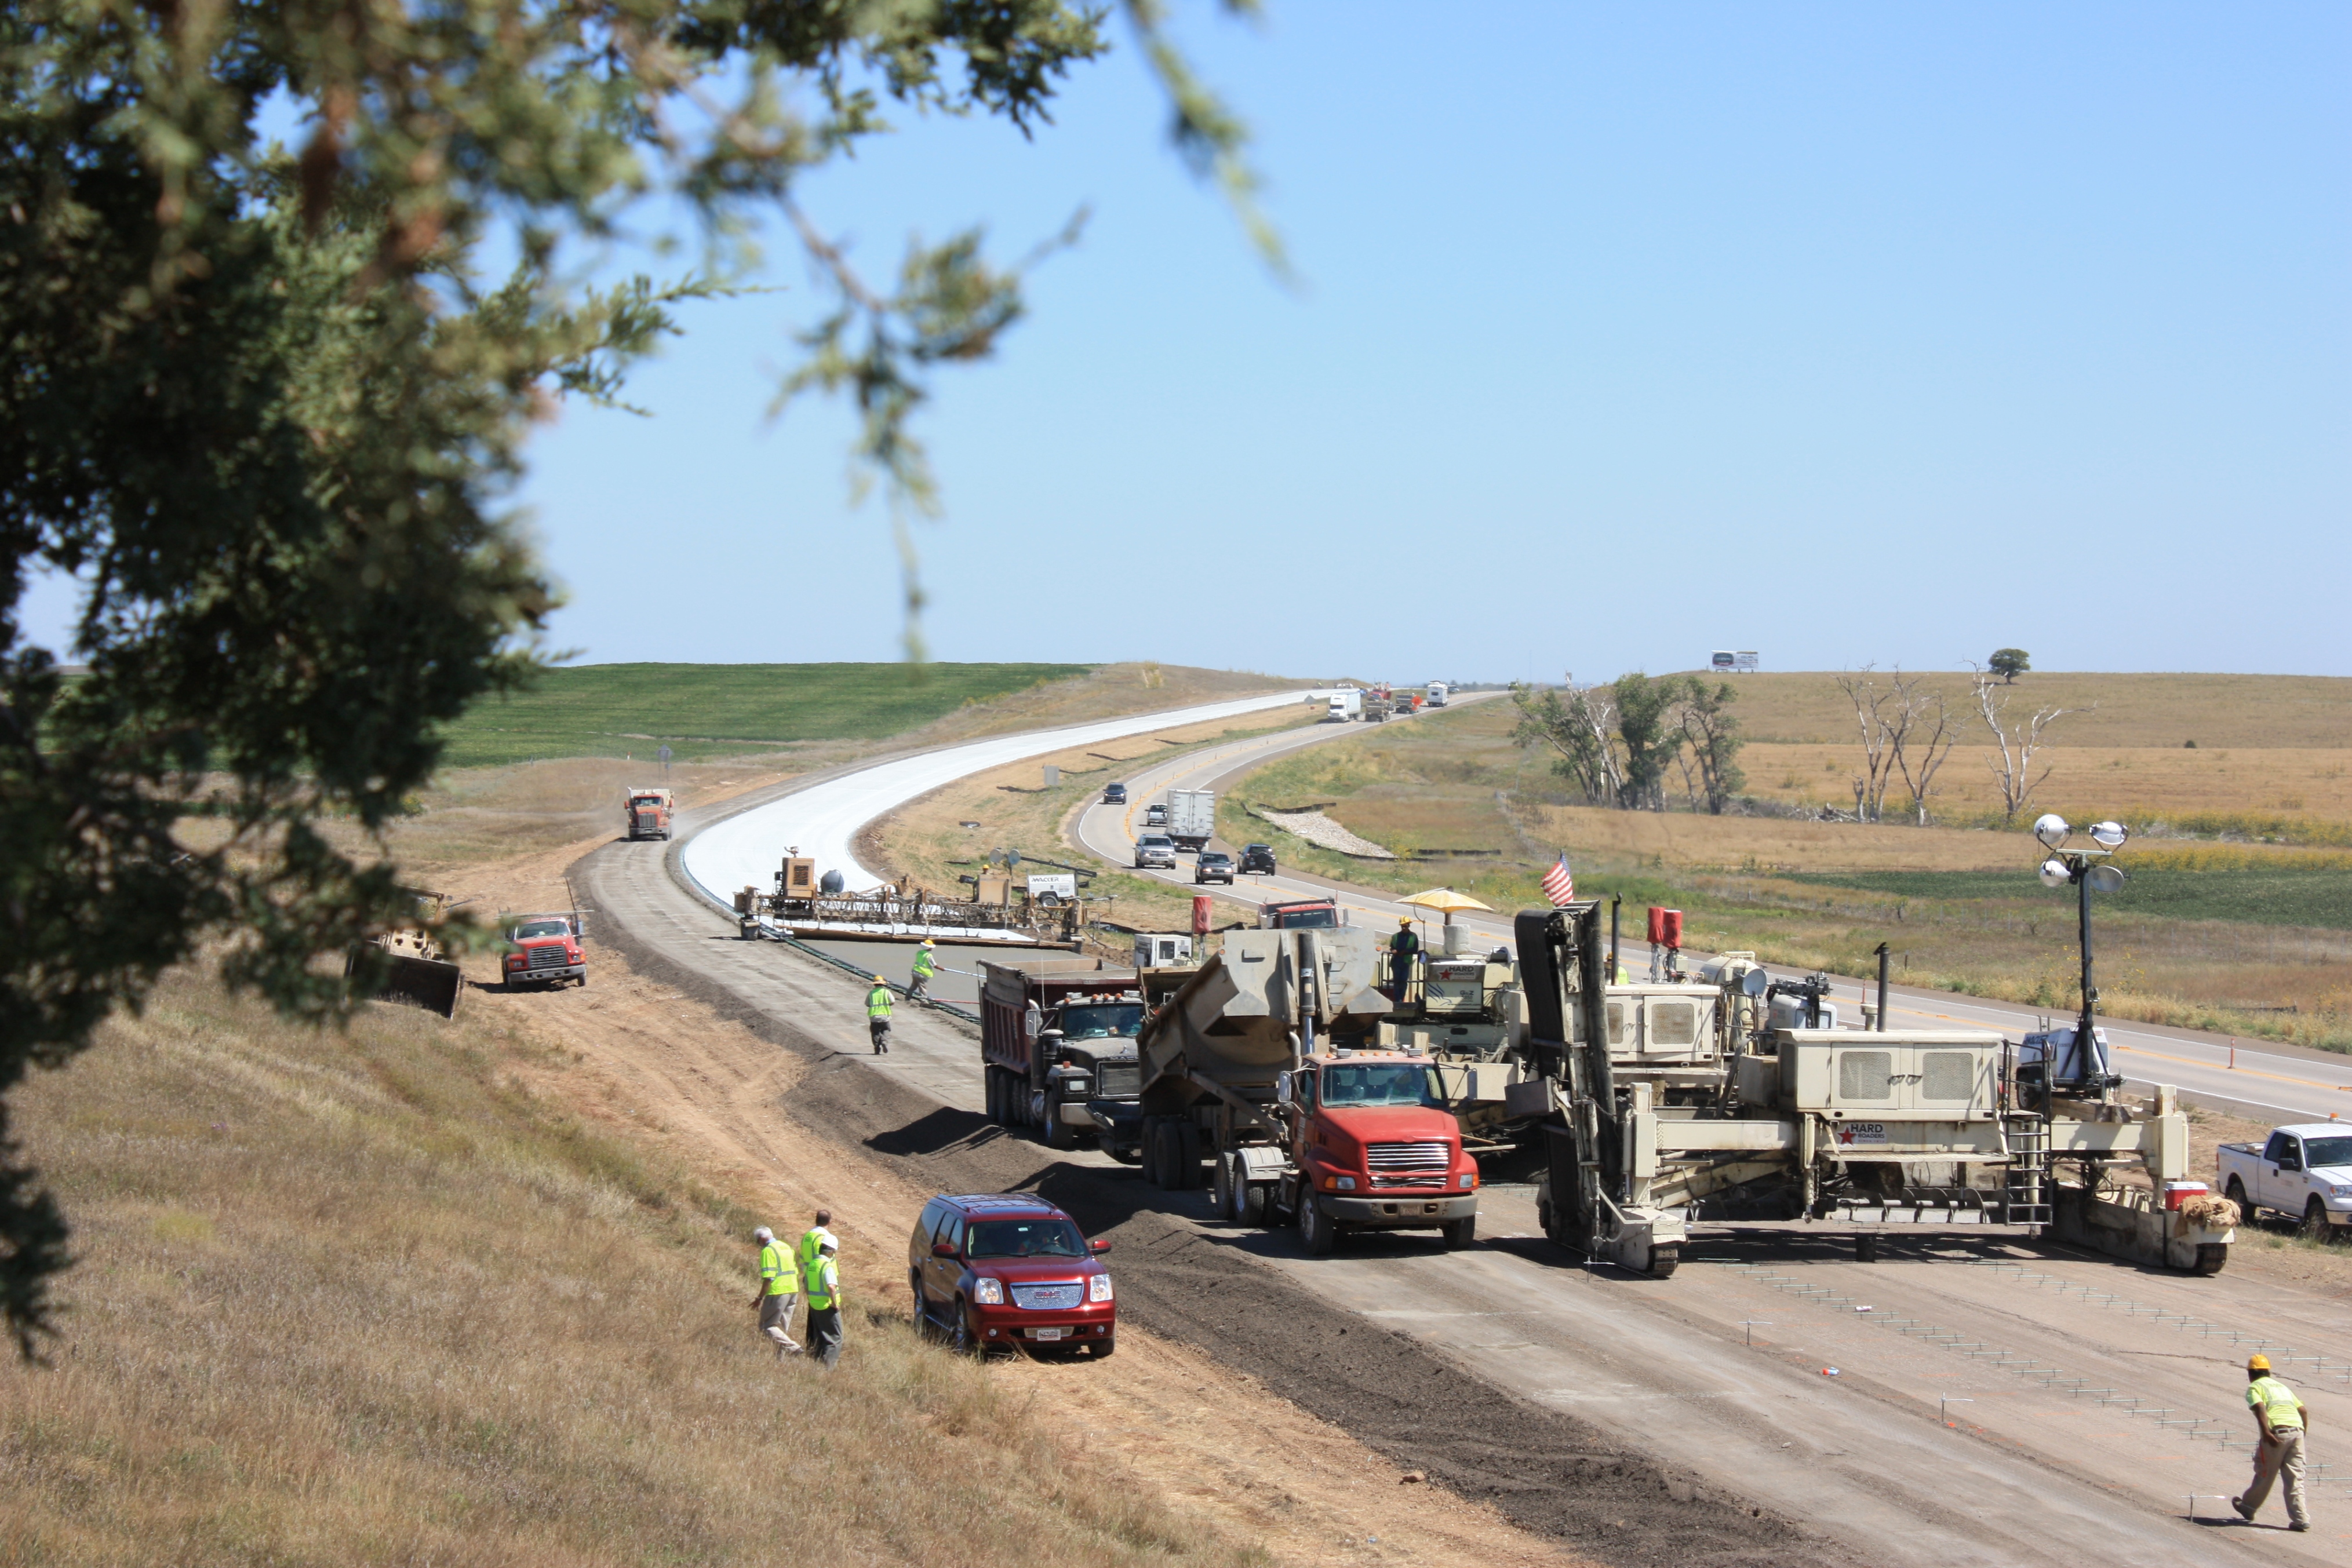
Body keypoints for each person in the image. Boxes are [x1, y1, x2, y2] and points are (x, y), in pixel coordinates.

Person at [2234, 1352, 2312, 1530]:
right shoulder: (2282, 1387)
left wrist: (2266, 1432)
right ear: (2268, 1372)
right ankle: (2301, 1520)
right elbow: (2304, 1411)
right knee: (2295, 1479)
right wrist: (2301, 1434)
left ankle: (2247, 1507)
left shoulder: (2255, 1387)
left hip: (2277, 1433)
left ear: (2251, 1374)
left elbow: (2260, 1407)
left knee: (2265, 1473)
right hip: (2297, 1432)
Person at [748, 1226, 800, 1359]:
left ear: (761, 1239)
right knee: (782, 1328)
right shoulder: (786, 1247)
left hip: (778, 1292)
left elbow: (769, 1278)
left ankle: (794, 1347)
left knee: (767, 1326)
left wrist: (759, 1298)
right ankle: (780, 1360)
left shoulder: (768, 1251)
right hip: (793, 1289)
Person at [802, 1239, 844, 1370]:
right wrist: (834, 1304)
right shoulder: (827, 1266)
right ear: (830, 1251)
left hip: (814, 1305)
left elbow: (806, 1285)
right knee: (835, 1338)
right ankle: (828, 1369)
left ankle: (817, 1363)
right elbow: (831, 1287)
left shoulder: (813, 1264)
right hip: (827, 1306)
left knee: (820, 1335)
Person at [1387, 916, 1420, 1001]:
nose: (1404, 928)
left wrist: (1405, 952)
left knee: (1403, 981)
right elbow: (1392, 947)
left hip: (1406, 962)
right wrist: (1393, 951)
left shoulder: (1413, 937)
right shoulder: (1396, 936)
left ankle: (1401, 998)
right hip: (1396, 961)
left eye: (1405, 926)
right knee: (1397, 981)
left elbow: (1415, 949)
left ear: (1409, 926)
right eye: (1402, 927)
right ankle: (1398, 1000)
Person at [866, 975, 893, 1053]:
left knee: (875, 1033)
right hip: (885, 1015)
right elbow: (892, 1001)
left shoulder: (871, 993)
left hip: (874, 1016)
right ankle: (884, 1042)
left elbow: (867, 1004)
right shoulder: (886, 992)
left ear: (874, 984)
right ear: (883, 984)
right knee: (886, 1029)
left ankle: (877, 1049)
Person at [908, 939, 937, 1007]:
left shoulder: (919, 952)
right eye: (931, 947)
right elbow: (934, 965)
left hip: (915, 971)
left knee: (913, 986)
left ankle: (908, 997)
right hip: (922, 974)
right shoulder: (929, 956)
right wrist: (942, 969)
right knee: (923, 988)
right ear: (928, 948)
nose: (932, 948)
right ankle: (924, 1001)